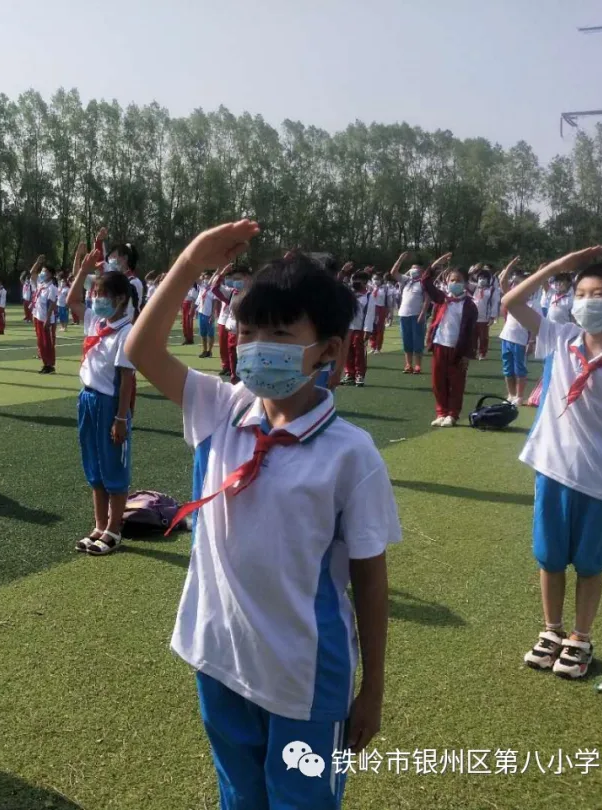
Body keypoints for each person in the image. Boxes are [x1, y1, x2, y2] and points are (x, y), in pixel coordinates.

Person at [126, 220, 398, 810]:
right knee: (239, 797)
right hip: (218, 655)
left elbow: (371, 581)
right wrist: (193, 257)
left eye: (278, 333)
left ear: (329, 349)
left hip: (303, 678)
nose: (256, 347)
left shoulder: (351, 454)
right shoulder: (221, 408)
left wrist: (372, 689)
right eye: (248, 333)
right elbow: (140, 349)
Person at [501, 247, 602, 679]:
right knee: (550, 557)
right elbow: (511, 303)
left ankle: (581, 637)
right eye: (580, 292)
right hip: (552, 470)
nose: (586, 301)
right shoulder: (560, 338)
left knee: (590, 563)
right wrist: (558, 267)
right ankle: (552, 630)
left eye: (597, 293)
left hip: (599, 479)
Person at [68, 246, 136, 556]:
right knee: (94, 465)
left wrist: (121, 418)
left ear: (121, 298)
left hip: (110, 404)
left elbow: (127, 379)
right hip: (88, 400)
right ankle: (99, 524)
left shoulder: (126, 332)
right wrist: (82, 270)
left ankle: (114, 529)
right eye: (94, 294)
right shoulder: (96, 321)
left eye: (102, 294)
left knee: (113, 468)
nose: (96, 300)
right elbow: (72, 301)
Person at [423, 266, 477, 426]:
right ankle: (441, 412)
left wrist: (467, 355)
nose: (455, 283)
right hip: (440, 344)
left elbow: (471, 333)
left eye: (459, 280)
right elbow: (426, 282)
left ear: (466, 283)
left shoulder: (469, 306)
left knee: (456, 383)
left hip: (457, 349)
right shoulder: (442, 299)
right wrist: (434, 266)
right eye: (452, 280)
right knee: (438, 381)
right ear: (447, 282)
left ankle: (452, 414)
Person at [390, 251, 449, 375]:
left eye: (416, 269)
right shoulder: (405, 280)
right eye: (411, 269)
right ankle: (408, 364)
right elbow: (393, 273)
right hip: (403, 314)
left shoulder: (422, 283)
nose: (413, 271)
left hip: (417, 315)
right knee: (407, 340)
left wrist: (423, 313)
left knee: (417, 340)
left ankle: (417, 365)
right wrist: (400, 259)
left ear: (421, 272)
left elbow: (427, 299)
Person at [497, 257, 530, 405]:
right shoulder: (510, 297)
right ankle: (510, 395)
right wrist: (510, 265)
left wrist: (533, 341)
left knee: (519, 369)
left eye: (520, 283)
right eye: (515, 282)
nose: (516, 285)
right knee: (507, 369)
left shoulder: (530, 301)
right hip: (506, 336)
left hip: (520, 339)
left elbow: (535, 325)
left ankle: (519, 396)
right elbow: (502, 281)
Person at [30, 256, 57, 374]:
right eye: (42, 271)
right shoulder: (41, 284)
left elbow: (52, 304)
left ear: (51, 274)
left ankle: (50, 365)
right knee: (40, 342)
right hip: (37, 315)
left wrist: (47, 319)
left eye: (45, 271)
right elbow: (32, 273)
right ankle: (45, 363)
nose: (42, 273)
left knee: (47, 343)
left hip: (45, 318)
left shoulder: (52, 287)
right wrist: (38, 262)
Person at [471, 266, 500, 360]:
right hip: (474, 317)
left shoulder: (491, 290)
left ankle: (482, 353)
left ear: (488, 280)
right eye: (480, 278)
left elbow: (494, 303)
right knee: (473, 336)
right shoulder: (474, 289)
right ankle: (473, 352)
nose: (481, 280)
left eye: (484, 278)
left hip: (485, 318)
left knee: (483, 338)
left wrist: (492, 317)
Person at [195, 273, 217, 358]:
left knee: (210, 334)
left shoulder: (213, 289)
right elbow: (196, 278)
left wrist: (212, 314)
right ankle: (204, 350)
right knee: (203, 334)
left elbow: (215, 302)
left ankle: (210, 351)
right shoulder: (202, 287)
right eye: (205, 278)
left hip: (208, 314)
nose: (206, 280)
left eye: (208, 278)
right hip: (201, 313)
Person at [182, 282, 198, 346]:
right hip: (185, 305)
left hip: (189, 306)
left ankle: (190, 339)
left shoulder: (194, 289)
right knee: (184, 323)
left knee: (188, 323)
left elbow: (194, 300)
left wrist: (191, 309)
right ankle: (186, 338)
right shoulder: (187, 289)